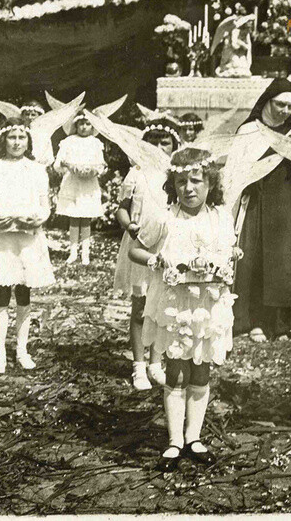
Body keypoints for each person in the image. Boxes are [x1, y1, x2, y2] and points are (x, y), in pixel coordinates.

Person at [128, 148, 240, 468]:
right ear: (172, 185)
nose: (188, 188)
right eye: (181, 182)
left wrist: (228, 260)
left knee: (201, 366)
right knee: (176, 369)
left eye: (196, 180)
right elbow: (137, 250)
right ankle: (175, 440)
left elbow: (227, 251)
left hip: (208, 302)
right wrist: (156, 259)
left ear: (210, 183)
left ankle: (195, 436)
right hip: (175, 303)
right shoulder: (164, 217)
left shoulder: (220, 217)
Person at [233, 79, 291, 342]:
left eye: (290, 107)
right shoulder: (250, 129)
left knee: (286, 262)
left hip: (286, 202)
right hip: (258, 201)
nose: (284, 111)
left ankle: (284, 324)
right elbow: (237, 167)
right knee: (256, 259)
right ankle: (255, 321)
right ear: (267, 102)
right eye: (280, 104)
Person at [0, 117, 55, 374]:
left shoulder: (37, 170)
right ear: (3, 140)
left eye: (22, 137)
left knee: (23, 292)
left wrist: (38, 218)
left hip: (27, 238)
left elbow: (46, 208)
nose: (17, 142)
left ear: (28, 141)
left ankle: (21, 349)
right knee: (1, 293)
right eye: (12, 137)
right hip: (1, 238)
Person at [113, 119, 178, 390]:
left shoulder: (176, 174)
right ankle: (138, 367)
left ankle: (156, 362)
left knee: (163, 306)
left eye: (165, 142)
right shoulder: (136, 173)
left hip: (169, 245)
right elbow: (122, 208)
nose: (159, 147)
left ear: (174, 145)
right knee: (140, 308)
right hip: (140, 242)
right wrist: (129, 225)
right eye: (153, 141)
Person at [55, 112, 107, 265]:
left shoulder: (96, 142)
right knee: (74, 217)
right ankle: (72, 252)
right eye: (81, 124)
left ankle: (85, 253)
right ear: (76, 125)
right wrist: (68, 166)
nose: (84, 127)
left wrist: (95, 170)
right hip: (72, 182)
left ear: (92, 126)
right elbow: (58, 163)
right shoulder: (68, 141)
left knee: (85, 218)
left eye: (87, 124)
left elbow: (101, 163)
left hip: (88, 185)